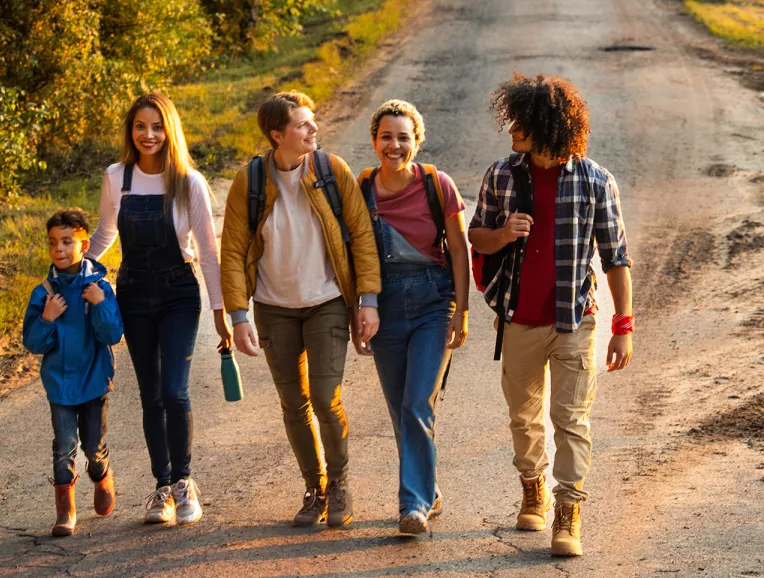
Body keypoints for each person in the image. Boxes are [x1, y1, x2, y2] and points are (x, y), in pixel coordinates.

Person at [468, 73, 634, 557]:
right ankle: (532, 487)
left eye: (521, 122)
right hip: (518, 318)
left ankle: (568, 511)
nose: (512, 129)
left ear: (548, 126)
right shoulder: (501, 174)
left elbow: (616, 257)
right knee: (524, 418)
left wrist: (623, 326)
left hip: (575, 320)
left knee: (572, 419)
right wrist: (502, 234)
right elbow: (475, 235)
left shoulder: (596, 180)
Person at [220, 91, 381, 528]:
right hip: (274, 308)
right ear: (278, 135)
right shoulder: (250, 181)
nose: (314, 129)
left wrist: (368, 300)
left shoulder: (331, 171)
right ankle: (315, 487)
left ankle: (340, 483)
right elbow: (232, 251)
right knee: (294, 404)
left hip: (326, 302)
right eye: (303, 124)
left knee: (327, 400)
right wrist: (237, 315)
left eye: (312, 122)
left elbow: (362, 236)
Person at [86, 93, 230, 525]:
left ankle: (185, 483)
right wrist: (73, 271)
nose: (148, 135)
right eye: (139, 127)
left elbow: (207, 251)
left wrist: (222, 313)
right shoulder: (117, 178)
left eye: (156, 127)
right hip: (133, 292)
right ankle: (162, 488)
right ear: (131, 131)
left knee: (174, 390)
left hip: (178, 293)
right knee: (150, 394)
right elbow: (104, 234)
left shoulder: (189, 182)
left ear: (169, 131)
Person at [356, 100, 470, 535]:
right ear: (374, 141)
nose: (394, 145)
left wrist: (461, 310)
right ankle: (428, 487)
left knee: (417, 402)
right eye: (386, 136)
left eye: (403, 137)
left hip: (432, 305)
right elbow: (355, 257)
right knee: (398, 408)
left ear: (416, 141)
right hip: (383, 309)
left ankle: (414, 505)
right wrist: (358, 312)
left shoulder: (436, 184)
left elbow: (459, 248)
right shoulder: (362, 187)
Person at [23, 208, 124, 537]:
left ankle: (102, 474)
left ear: (84, 245)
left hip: (94, 381)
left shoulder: (99, 287)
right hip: (60, 385)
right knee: (64, 445)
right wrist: (47, 319)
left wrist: (99, 304)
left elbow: (112, 335)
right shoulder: (43, 293)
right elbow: (33, 343)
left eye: (68, 242)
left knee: (93, 445)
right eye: (53, 243)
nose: (59, 249)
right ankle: (65, 511)